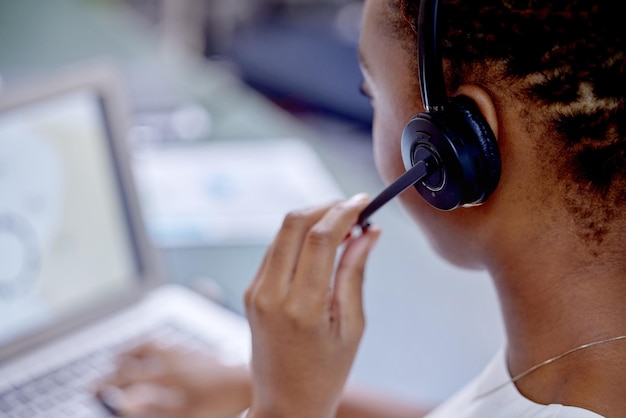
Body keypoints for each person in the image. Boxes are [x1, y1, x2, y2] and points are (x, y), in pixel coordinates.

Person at [96, 0, 626, 416]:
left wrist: (283, 411)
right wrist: (257, 386)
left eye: (371, 93)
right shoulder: (572, 349)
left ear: (460, 147)